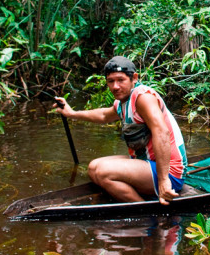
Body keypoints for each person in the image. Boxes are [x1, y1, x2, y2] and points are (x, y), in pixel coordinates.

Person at [54, 56, 188, 205]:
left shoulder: (143, 97)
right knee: (93, 168)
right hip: (146, 164)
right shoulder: (122, 102)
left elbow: (162, 133)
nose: (115, 86)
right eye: (111, 81)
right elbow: (104, 115)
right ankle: (140, 202)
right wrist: (72, 113)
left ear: (134, 78)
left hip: (169, 172)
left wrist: (164, 181)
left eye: (121, 80)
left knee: (103, 172)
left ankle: (144, 210)